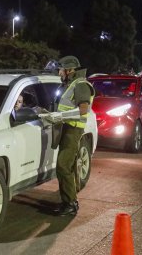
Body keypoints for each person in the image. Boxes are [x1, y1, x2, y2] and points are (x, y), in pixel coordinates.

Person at [41, 55, 95, 216]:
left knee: (63, 166)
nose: (59, 73)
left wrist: (60, 117)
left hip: (73, 130)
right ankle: (69, 201)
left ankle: (70, 203)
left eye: (61, 70)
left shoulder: (81, 85)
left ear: (70, 70)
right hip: (67, 128)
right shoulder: (71, 84)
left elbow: (83, 110)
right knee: (67, 166)